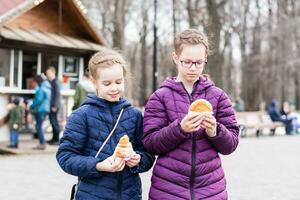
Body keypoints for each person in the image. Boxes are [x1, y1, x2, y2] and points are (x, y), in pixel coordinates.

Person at [142, 29, 239, 200]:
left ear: (205, 60)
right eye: (186, 62)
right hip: (167, 190)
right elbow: (150, 143)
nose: (193, 68)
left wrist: (215, 131)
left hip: (211, 189)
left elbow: (230, 145)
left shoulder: (218, 96)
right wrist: (180, 129)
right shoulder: (159, 97)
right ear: (175, 58)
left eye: (199, 63)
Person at [56, 48, 155, 199]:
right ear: (94, 82)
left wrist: (137, 159)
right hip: (91, 195)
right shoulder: (81, 116)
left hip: (130, 195)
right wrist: (98, 165)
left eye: (118, 82)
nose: (114, 88)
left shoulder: (134, 115)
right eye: (107, 83)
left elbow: (148, 155)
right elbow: (65, 156)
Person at [30, 75, 51, 150]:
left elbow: (38, 100)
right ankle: (42, 143)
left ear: (37, 81)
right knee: (40, 126)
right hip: (45, 109)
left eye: (35, 82)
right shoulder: (47, 87)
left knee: (39, 127)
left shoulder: (41, 89)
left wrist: (31, 105)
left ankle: (42, 143)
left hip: (40, 109)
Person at [45, 66, 61, 145]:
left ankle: (57, 140)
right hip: (53, 105)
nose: (47, 75)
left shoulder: (56, 81)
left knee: (54, 122)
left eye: (48, 73)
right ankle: (53, 139)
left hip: (55, 105)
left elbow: (57, 94)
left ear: (52, 72)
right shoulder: (52, 81)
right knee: (52, 121)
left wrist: (54, 105)